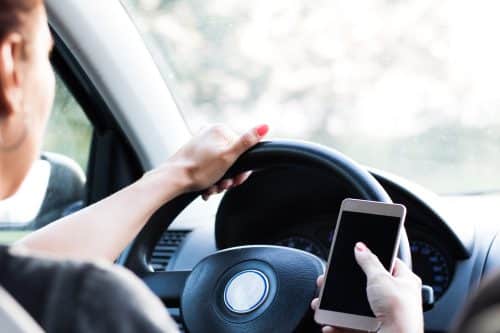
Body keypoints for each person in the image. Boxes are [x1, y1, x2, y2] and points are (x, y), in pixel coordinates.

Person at [0, 0, 424, 332]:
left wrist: (178, 173)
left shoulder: (26, 299)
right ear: (10, 67)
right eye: (47, 55)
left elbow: (20, 276)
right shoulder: (90, 304)